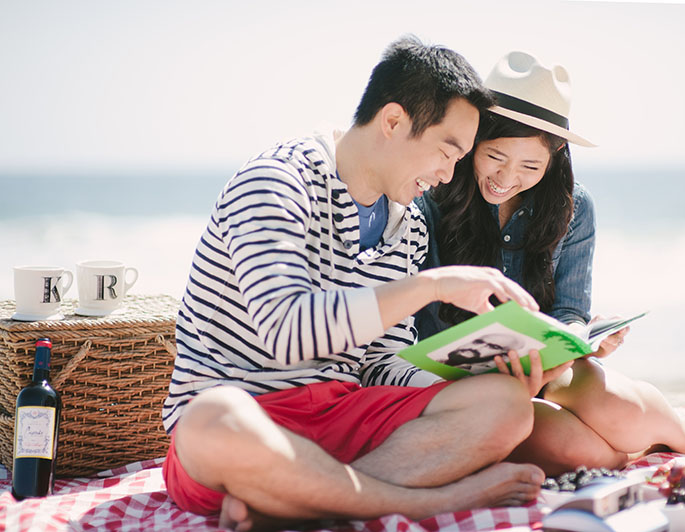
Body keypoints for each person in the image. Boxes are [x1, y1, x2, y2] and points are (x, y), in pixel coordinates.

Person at [161, 36, 573, 530]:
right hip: (247, 421)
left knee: (505, 406)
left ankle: (293, 502)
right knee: (212, 419)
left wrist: (469, 378)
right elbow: (287, 333)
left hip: (341, 415)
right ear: (394, 121)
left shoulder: (408, 226)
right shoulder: (275, 181)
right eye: (447, 151)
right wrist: (432, 287)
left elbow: (380, 363)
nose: (448, 175)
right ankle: (423, 502)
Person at [414, 51, 685, 475]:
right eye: (495, 157)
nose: (507, 178)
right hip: (464, 389)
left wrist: (581, 339)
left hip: (548, 371)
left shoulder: (573, 207)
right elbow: (420, 322)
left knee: (619, 412)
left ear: (556, 152)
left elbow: (569, 310)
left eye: (530, 165)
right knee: (589, 454)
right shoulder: (433, 201)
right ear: (475, 139)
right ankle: (654, 440)